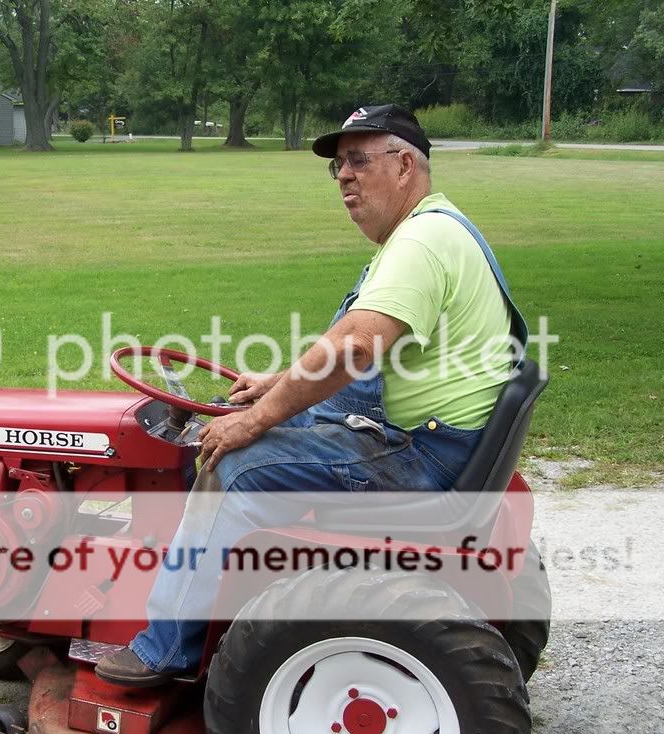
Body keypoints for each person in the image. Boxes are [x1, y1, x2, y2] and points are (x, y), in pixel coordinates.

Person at [96, 104, 528, 687]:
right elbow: (363, 341)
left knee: (233, 468)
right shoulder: (437, 228)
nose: (344, 176)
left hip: (421, 455)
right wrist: (275, 386)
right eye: (338, 167)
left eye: (357, 160)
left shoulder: (422, 242)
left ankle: (166, 647)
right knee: (254, 425)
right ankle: (215, 589)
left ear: (404, 165)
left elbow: (356, 347)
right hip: (438, 441)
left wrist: (253, 424)